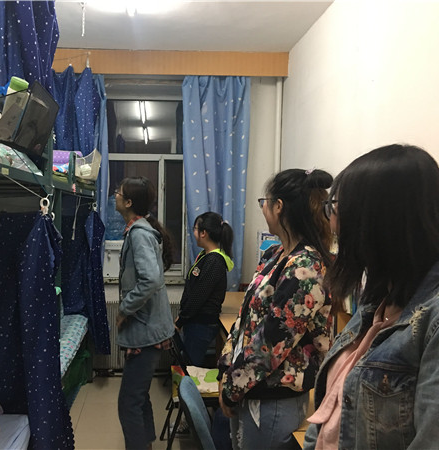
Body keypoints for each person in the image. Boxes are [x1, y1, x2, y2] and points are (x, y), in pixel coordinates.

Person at [304, 144, 439, 449]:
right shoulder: (377, 298)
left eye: (336, 207)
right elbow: (329, 409)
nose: (332, 222)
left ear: (380, 220)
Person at [217, 168, 334, 449]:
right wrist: (225, 370)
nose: (263, 209)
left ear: (278, 206)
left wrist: (232, 387)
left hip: (274, 398)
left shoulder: (306, 267)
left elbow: (272, 343)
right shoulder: (275, 255)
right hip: (248, 385)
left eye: (264, 203)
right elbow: (245, 319)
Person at [114, 176, 176, 450]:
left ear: (129, 202)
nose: (115, 195)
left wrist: (124, 309)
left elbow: (150, 279)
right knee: (139, 396)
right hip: (147, 327)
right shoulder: (138, 230)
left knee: (128, 402)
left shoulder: (139, 234)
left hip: (146, 330)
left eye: (119, 193)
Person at [175, 212, 235, 366]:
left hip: (201, 323)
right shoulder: (206, 256)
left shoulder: (214, 261)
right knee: (187, 360)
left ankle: (189, 383)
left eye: (195, 229)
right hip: (195, 321)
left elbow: (198, 296)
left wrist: (181, 320)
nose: (193, 233)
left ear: (204, 233)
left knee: (190, 366)